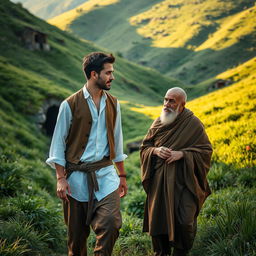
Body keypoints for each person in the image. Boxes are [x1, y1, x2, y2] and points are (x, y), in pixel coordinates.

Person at [46, 52, 128, 256]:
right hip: (76, 179)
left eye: (112, 72)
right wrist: (61, 178)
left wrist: (122, 175)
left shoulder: (114, 103)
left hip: (106, 175)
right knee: (76, 240)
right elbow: (57, 144)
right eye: (108, 73)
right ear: (94, 74)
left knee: (111, 224)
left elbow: (117, 142)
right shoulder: (70, 104)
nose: (112, 77)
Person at [140, 87, 212, 256]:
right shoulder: (158, 122)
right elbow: (145, 148)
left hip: (185, 182)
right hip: (160, 182)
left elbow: (206, 151)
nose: (167, 104)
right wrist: (156, 151)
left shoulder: (193, 124)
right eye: (165, 99)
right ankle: (162, 252)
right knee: (159, 219)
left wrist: (183, 154)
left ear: (182, 104)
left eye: (172, 101)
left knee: (185, 221)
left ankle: (181, 252)